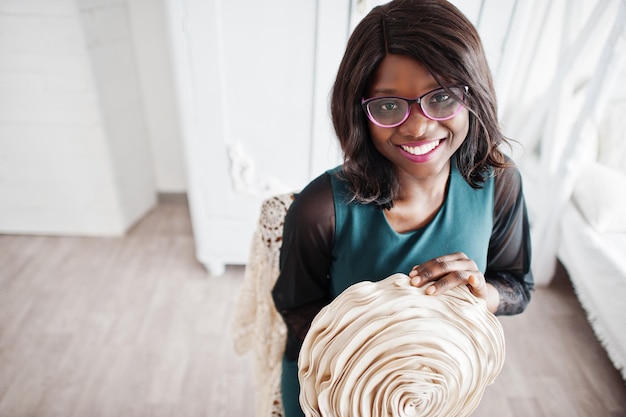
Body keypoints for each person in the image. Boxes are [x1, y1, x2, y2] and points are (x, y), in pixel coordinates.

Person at [271, 0, 534, 416]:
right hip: (333, 394)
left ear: (474, 94)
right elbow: (295, 310)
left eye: (443, 97)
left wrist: (484, 295)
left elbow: (518, 287)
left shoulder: (498, 185)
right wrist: (371, 371)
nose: (417, 127)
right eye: (389, 106)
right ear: (359, 112)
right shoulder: (321, 208)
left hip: (436, 396)